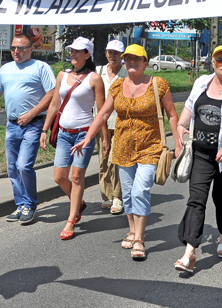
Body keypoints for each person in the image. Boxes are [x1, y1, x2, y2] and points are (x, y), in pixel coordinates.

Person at [71, 44, 179, 260]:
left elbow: (172, 115)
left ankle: (139, 238)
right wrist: (88, 137)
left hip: (150, 147)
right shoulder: (118, 85)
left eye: (136, 59)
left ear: (145, 63)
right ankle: (131, 229)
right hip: (123, 147)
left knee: (140, 190)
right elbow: (102, 114)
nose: (131, 62)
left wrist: (178, 141)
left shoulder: (158, 84)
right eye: (128, 58)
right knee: (128, 194)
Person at [173, 45, 222, 273]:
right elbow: (189, 107)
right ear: (213, 62)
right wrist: (180, 125)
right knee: (196, 199)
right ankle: (190, 252)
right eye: (220, 60)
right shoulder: (201, 82)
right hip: (201, 153)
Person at [0, 33, 56, 225]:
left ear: (30, 49)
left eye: (20, 48)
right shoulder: (6, 69)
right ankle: (20, 204)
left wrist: (32, 113)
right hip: (12, 125)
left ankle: (30, 204)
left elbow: (52, 94)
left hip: (34, 123)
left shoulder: (40, 67)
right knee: (12, 168)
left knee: (23, 165)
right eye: (13, 48)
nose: (16, 51)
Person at [39, 37, 107, 240]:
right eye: (72, 51)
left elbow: (102, 111)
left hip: (83, 135)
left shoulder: (94, 78)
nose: (74, 54)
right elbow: (53, 104)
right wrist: (44, 130)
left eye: (79, 51)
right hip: (63, 134)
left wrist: (105, 139)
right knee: (59, 177)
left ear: (88, 54)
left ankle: (71, 218)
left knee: (77, 177)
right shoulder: (62, 75)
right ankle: (79, 203)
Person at [94, 39, 128, 214]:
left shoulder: (126, 73)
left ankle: (117, 196)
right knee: (103, 160)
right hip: (102, 123)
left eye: (116, 53)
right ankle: (105, 194)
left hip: (120, 123)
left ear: (121, 55)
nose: (112, 56)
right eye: (109, 52)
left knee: (116, 159)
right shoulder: (98, 71)